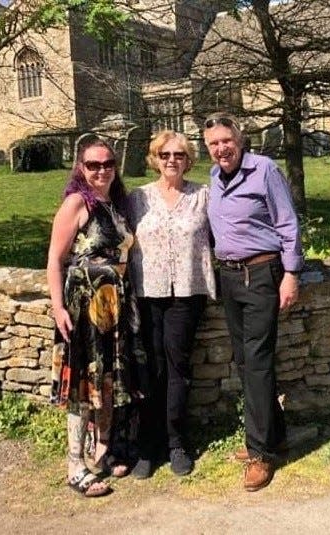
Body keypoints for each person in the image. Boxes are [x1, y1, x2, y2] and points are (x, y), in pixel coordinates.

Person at [202, 112, 304, 492]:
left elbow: (288, 223)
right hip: (230, 277)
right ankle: (274, 435)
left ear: (239, 140)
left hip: (262, 275)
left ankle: (260, 454)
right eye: (213, 144)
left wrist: (291, 273)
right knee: (246, 362)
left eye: (226, 141)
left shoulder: (264, 170)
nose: (220, 149)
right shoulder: (215, 177)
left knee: (258, 361)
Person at [46, 140, 137, 498]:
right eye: (93, 164)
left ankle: (102, 450)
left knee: (109, 380)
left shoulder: (116, 205)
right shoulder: (76, 204)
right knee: (83, 385)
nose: (101, 170)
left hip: (115, 308)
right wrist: (58, 307)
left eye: (108, 163)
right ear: (80, 167)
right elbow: (55, 259)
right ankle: (75, 465)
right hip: (84, 309)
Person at [127, 131, 217, 478]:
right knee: (151, 369)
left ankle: (178, 442)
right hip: (148, 293)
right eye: (165, 155)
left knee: (178, 368)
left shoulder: (203, 197)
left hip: (187, 294)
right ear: (155, 158)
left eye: (179, 155)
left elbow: (229, 230)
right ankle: (148, 445)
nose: (171, 161)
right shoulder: (139, 199)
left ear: (188, 159)